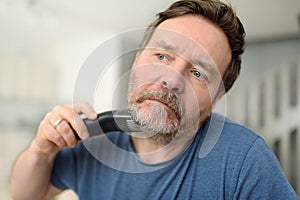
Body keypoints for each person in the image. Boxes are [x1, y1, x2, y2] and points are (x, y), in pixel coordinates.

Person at [10, 0, 299, 199]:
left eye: (197, 73)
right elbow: (26, 195)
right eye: (161, 56)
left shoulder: (245, 160)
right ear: (137, 60)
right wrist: (40, 151)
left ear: (217, 97)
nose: (171, 80)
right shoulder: (93, 139)